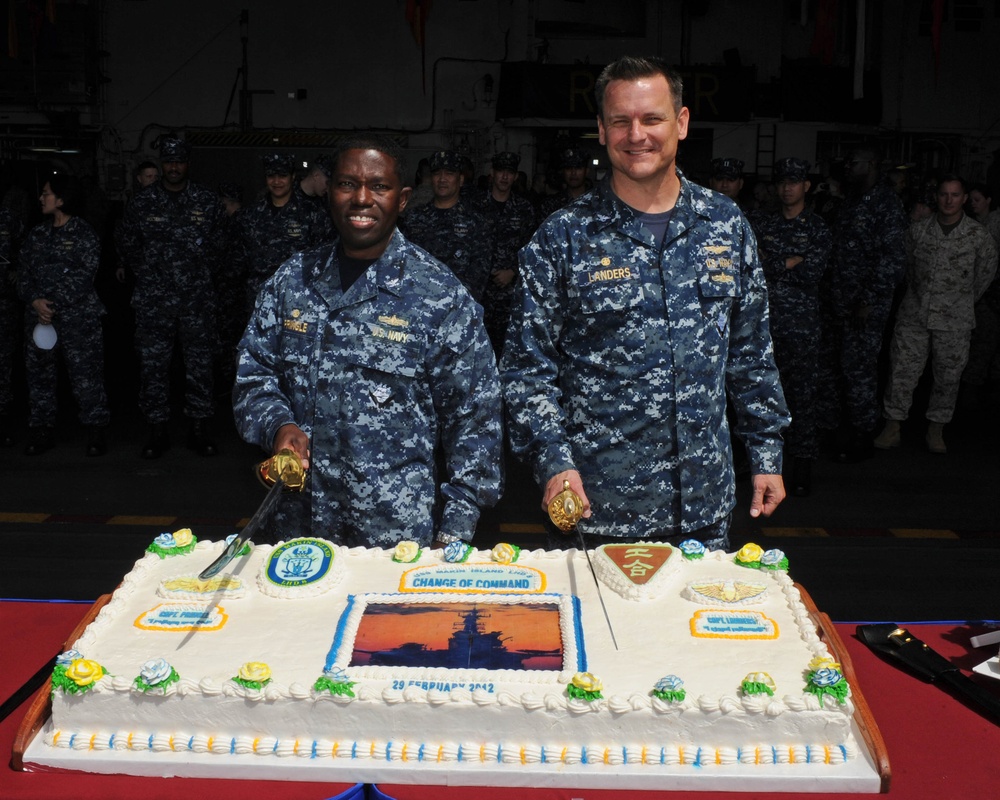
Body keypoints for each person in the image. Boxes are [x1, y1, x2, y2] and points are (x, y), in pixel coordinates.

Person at [501, 55, 789, 549]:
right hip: (597, 509)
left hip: (703, 506)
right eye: (620, 121)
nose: (637, 135)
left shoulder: (725, 224)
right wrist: (554, 462)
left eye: (652, 118)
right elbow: (526, 372)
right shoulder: (563, 238)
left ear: (681, 123)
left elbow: (750, 353)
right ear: (601, 129)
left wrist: (766, 452)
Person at [233, 134, 503, 548]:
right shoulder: (292, 283)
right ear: (329, 192)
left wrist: (455, 531)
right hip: (296, 530)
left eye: (379, 186)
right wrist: (279, 425)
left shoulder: (439, 296)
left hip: (395, 540)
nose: (361, 198)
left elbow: (475, 419)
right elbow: (253, 376)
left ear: (403, 198)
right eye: (346, 184)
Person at [874, 175, 997, 453]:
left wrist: (958, 300)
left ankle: (936, 428)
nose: (949, 200)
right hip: (914, 315)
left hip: (955, 320)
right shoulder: (917, 231)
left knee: (948, 376)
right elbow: (906, 267)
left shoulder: (979, 236)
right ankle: (893, 426)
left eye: (955, 195)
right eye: (944, 194)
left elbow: (984, 276)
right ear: (937, 197)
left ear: (964, 198)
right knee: (902, 372)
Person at [117, 136, 222, 458]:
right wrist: (152, 273)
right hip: (154, 300)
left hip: (196, 299)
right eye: (168, 162)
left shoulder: (206, 200)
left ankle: (198, 429)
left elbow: (220, 244)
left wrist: (198, 274)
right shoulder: (142, 202)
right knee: (153, 367)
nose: (173, 167)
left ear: (187, 163)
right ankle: (157, 430)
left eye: (179, 161)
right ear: (162, 164)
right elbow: (127, 242)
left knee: (200, 366)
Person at [815, 147, 908, 461]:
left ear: (872, 164)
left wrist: (868, 300)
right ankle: (832, 428)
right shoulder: (850, 201)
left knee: (859, 370)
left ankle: (862, 432)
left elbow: (893, 259)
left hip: (865, 306)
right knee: (833, 368)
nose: (849, 167)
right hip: (838, 300)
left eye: (854, 162)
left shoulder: (887, 204)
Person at [751, 158, 831, 495]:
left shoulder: (818, 228)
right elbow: (756, 268)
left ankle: (801, 465)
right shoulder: (764, 225)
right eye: (783, 181)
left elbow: (814, 272)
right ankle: (763, 466)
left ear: (806, 187)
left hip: (802, 327)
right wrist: (791, 261)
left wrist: (780, 264)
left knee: (801, 397)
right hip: (765, 325)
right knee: (763, 396)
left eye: (795, 182)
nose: (788, 188)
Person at [17, 174, 110, 457]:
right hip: (39, 322)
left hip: (77, 321)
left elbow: (85, 277)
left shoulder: (84, 234)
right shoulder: (37, 235)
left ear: (61, 199)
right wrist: (35, 301)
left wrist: (51, 305)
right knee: (40, 378)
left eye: (46, 193)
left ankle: (95, 431)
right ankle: (42, 430)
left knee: (86, 378)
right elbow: (22, 274)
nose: (41, 198)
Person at [237, 152, 333, 310]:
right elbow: (241, 261)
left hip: (297, 300)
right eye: (271, 176)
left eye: (282, 175)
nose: (276, 181)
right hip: (260, 299)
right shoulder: (251, 214)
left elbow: (324, 260)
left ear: (293, 177)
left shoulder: (313, 214)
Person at [400, 149, 493, 302]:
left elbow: (479, 274)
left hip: (458, 308)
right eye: (437, 173)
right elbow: (404, 262)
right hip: (418, 304)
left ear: (461, 180)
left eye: (449, 173)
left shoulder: (476, 221)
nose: (442, 179)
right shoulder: (414, 218)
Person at [477, 151, 537, 356]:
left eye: (509, 173)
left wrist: (513, 271)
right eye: (500, 171)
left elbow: (531, 249)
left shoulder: (524, 209)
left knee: (510, 349)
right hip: (479, 291)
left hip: (511, 294)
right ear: (492, 173)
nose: (504, 177)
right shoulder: (475, 206)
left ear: (516, 177)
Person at [0, 204, 24, 446]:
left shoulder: (9, 217)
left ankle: (3, 420)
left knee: (3, 363)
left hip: (4, 301)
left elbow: (23, 249)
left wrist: (18, 270)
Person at [539, 146, 591, 219]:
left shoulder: (597, 203)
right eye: (568, 168)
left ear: (587, 171)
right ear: (563, 172)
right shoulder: (551, 205)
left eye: (578, 168)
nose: (573, 173)